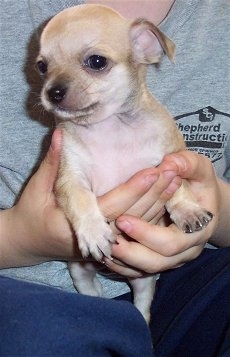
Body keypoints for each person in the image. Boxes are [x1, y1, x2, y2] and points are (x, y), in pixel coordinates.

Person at [0, 0, 229, 356]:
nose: (56, 86)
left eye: (95, 63)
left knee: (150, 292)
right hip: (36, 287)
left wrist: (198, 202)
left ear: (146, 47)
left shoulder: (160, 126)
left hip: (186, 276)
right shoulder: (71, 135)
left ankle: (142, 317)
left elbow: (175, 173)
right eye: (46, 67)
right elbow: (72, 185)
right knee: (42, 336)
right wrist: (24, 237)